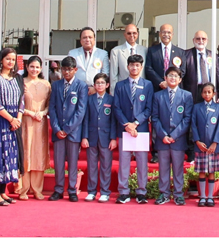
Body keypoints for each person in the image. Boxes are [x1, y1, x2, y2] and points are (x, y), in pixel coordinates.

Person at [113, 54, 153, 204]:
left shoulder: (147, 85)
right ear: (127, 67)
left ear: (141, 67)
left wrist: (135, 123)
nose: (134, 68)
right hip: (125, 129)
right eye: (132, 65)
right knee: (124, 162)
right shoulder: (120, 85)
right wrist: (127, 124)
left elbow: (149, 108)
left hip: (140, 130)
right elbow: (116, 108)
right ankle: (123, 192)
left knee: (142, 162)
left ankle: (141, 192)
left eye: (137, 65)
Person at [0, 48, 24, 206]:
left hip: (14, 122)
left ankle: (3, 191)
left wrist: (18, 119)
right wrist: (11, 119)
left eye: (13, 59)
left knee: (9, 156)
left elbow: (22, 99)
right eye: (7, 58)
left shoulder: (17, 78)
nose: (10, 62)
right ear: (1, 59)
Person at [48, 56, 87, 202]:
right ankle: (58, 189)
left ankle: (72, 190)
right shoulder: (56, 85)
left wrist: (68, 128)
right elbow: (52, 108)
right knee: (58, 162)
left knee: (72, 162)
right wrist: (57, 128)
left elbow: (80, 111)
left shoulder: (81, 86)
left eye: (69, 69)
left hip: (73, 131)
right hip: (58, 131)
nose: (66, 72)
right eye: (64, 69)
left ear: (75, 70)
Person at [151, 66, 192, 205]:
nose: (173, 78)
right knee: (163, 167)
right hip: (162, 140)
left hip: (178, 139)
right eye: (170, 75)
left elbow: (187, 119)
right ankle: (164, 193)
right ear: (165, 78)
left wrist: (174, 135)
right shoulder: (158, 96)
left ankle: (179, 194)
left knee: (178, 167)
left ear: (180, 79)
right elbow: (154, 118)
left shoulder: (186, 96)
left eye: (175, 76)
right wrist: (163, 135)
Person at [15, 56, 50, 201]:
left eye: (37, 67)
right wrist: (29, 113)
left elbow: (49, 104)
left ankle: (37, 188)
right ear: (27, 67)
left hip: (41, 123)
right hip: (25, 121)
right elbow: (16, 103)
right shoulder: (20, 83)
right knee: (26, 152)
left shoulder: (46, 84)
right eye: (32, 66)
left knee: (38, 154)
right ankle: (23, 189)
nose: (34, 70)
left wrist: (42, 113)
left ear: (41, 68)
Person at [82, 73, 116, 202]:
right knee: (91, 165)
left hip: (106, 138)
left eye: (102, 83)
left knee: (106, 166)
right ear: (94, 85)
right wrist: (84, 137)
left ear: (107, 85)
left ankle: (105, 191)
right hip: (91, 136)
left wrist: (113, 138)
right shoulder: (89, 99)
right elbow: (85, 119)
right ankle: (91, 191)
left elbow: (114, 121)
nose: (100, 85)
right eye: (97, 83)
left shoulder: (111, 100)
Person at [193, 82, 219, 207]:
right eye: (204, 92)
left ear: (214, 93)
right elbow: (193, 125)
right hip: (200, 145)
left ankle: (210, 196)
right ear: (201, 94)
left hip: (212, 146)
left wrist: (215, 143)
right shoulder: (196, 107)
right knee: (201, 171)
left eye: (209, 92)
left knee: (211, 171)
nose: (207, 94)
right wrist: (197, 141)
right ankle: (202, 197)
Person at [184, 30, 219, 100]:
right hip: (192, 91)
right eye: (198, 39)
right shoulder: (186, 55)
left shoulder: (213, 55)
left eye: (203, 39)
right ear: (193, 40)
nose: (201, 41)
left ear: (207, 41)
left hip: (209, 91)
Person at [145, 24, 186, 92]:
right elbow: (148, 68)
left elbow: (182, 70)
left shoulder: (180, 52)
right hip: (157, 88)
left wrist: (171, 82)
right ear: (159, 34)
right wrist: (160, 82)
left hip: (175, 88)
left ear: (172, 34)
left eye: (169, 32)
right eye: (164, 32)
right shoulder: (152, 50)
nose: (166, 34)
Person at [69, 27, 109, 94]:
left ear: (94, 39)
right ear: (80, 40)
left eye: (90, 37)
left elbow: (105, 74)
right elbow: (70, 73)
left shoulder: (103, 54)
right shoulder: (72, 53)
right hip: (77, 91)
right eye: (84, 37)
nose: (87, 40)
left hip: (96, 92)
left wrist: (95, 88)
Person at [109, 24, 146, 89]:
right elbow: (113, 76)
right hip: (123, 89)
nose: (132, 35)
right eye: (129, 33)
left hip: (141, 89)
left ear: (138, 34)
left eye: (134, 33)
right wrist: (113, 93)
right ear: (125, 34)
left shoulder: (145, 50)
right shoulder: (116, 51)